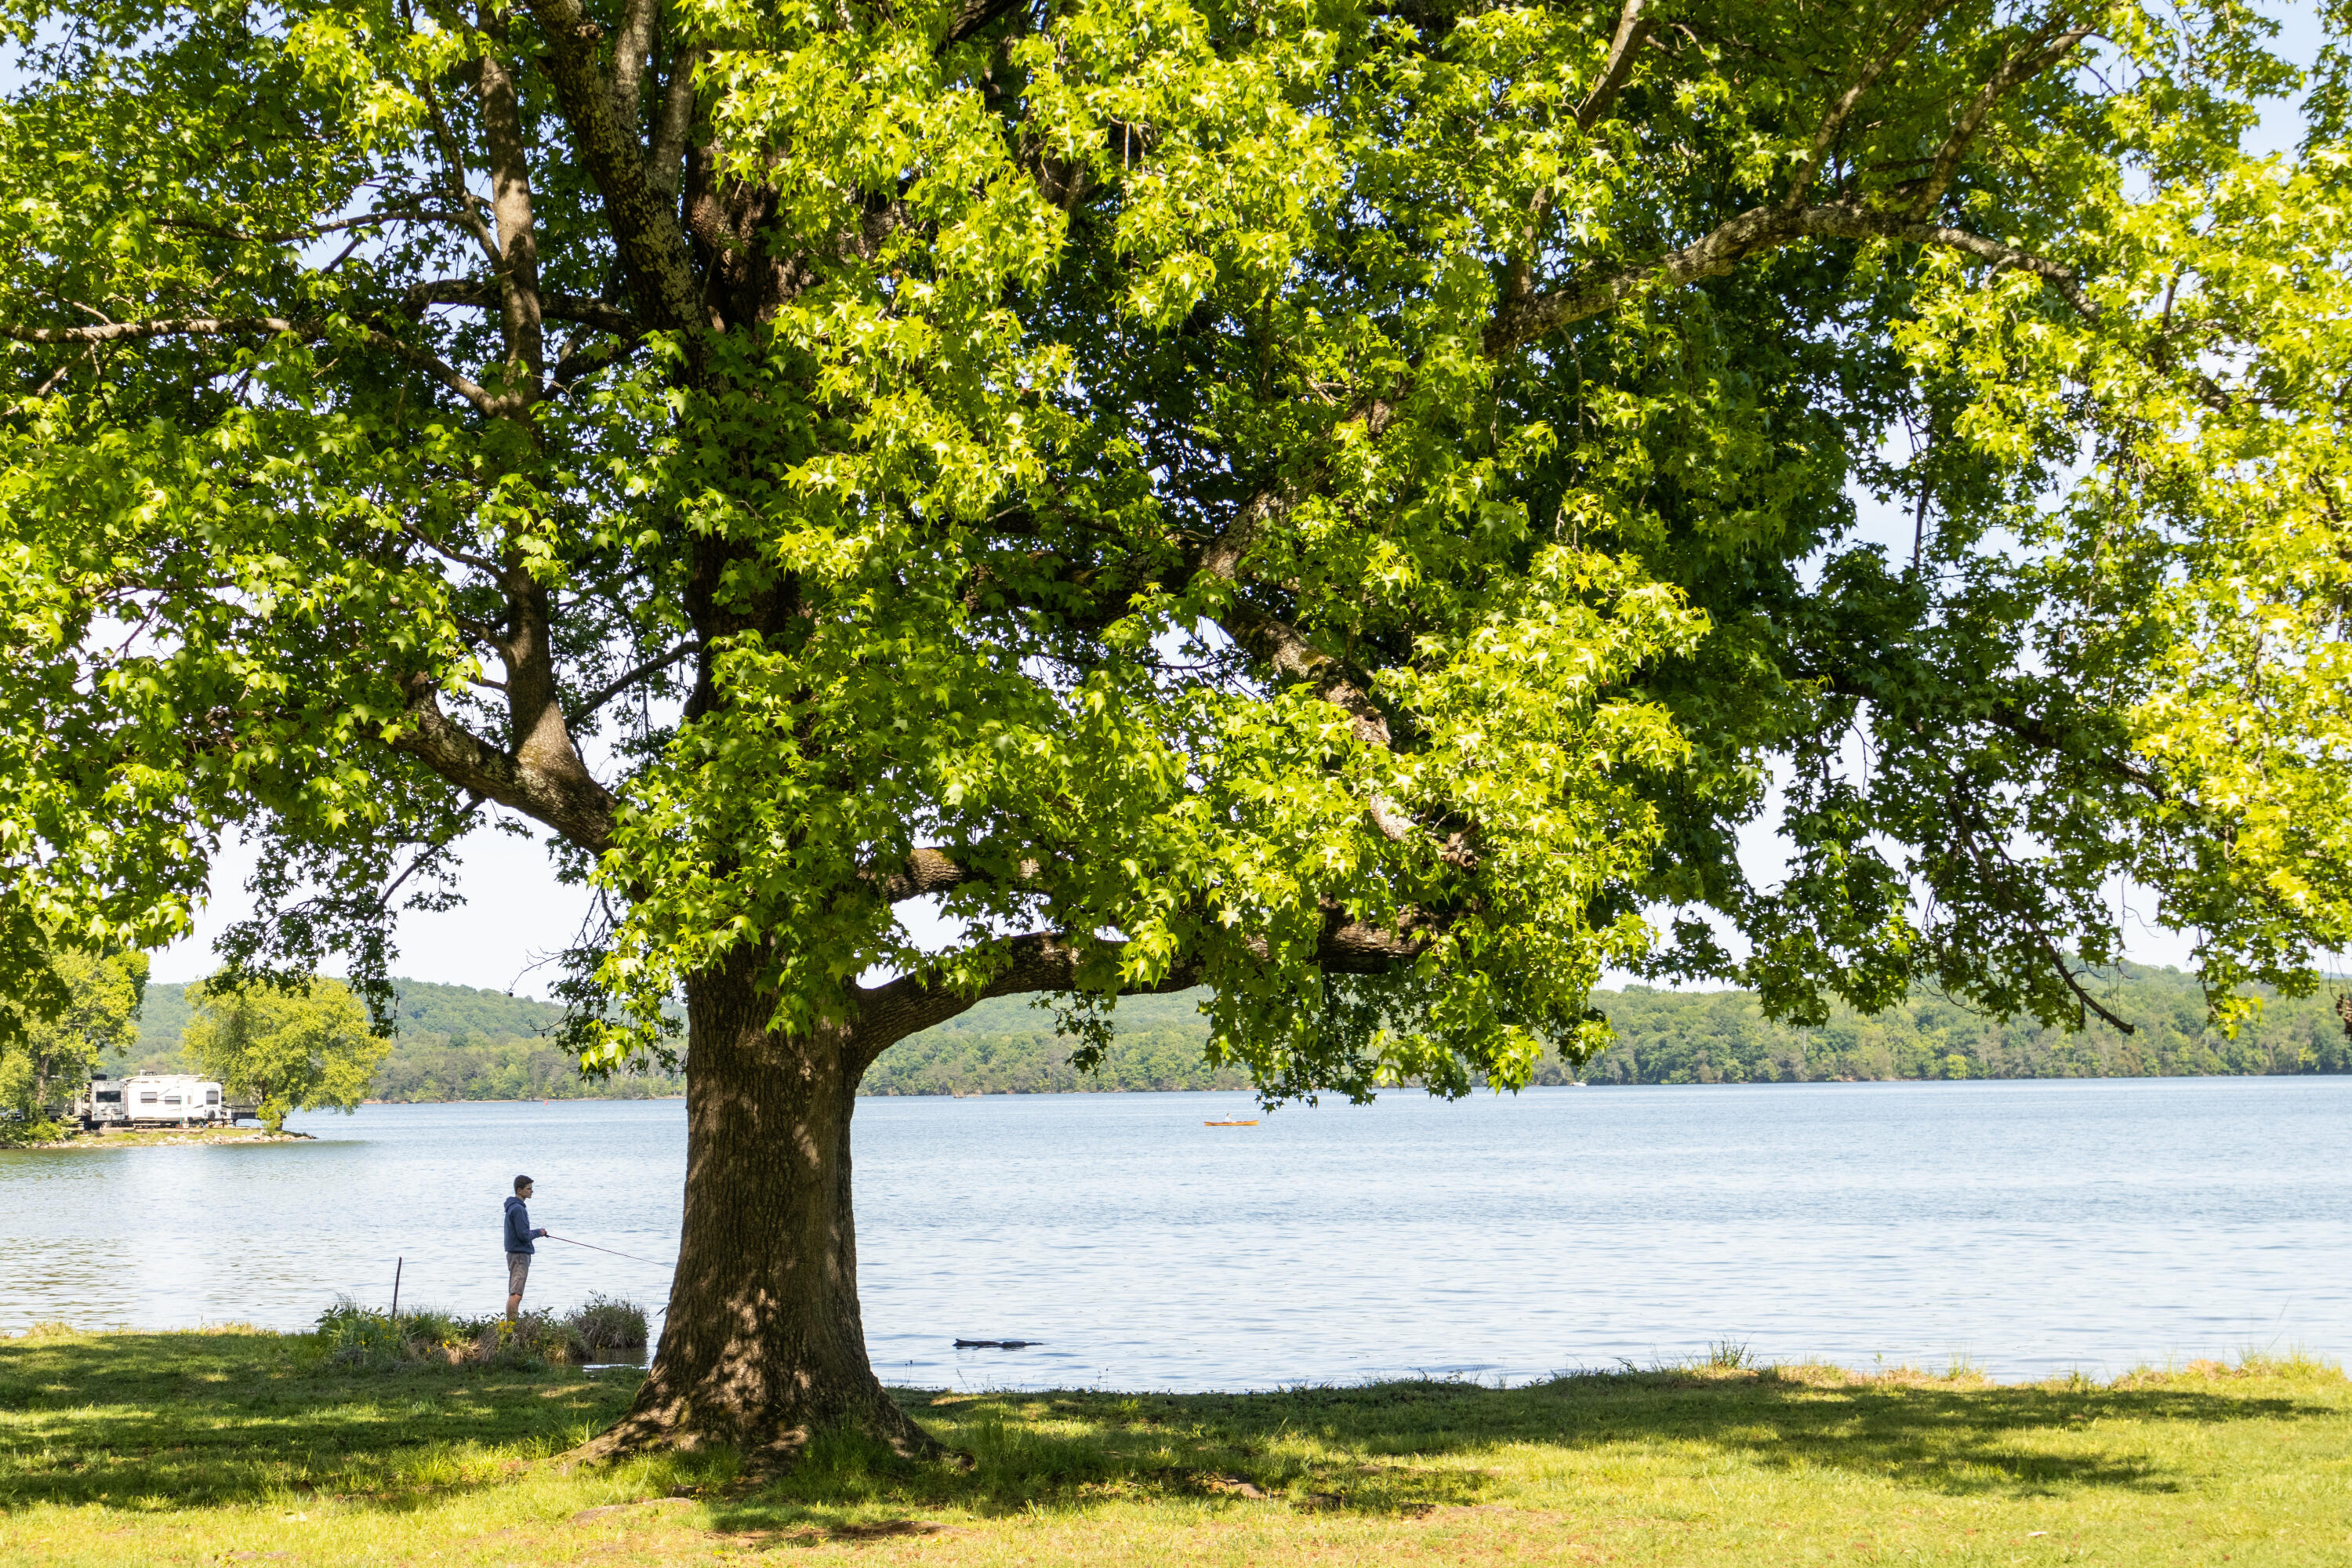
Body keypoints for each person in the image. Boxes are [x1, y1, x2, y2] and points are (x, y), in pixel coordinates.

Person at [503, 1174, 548, 1322]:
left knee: (515, 1292)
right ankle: (512, 1328)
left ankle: (511, 1327)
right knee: (516, 1294)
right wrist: (539, 1232)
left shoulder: (515, 1207)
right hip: (519, 1255)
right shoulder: (518, 1209)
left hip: (516, 1253)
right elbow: (523, 1235)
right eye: (529, 1189)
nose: (532, 1191)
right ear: (519, 1190)